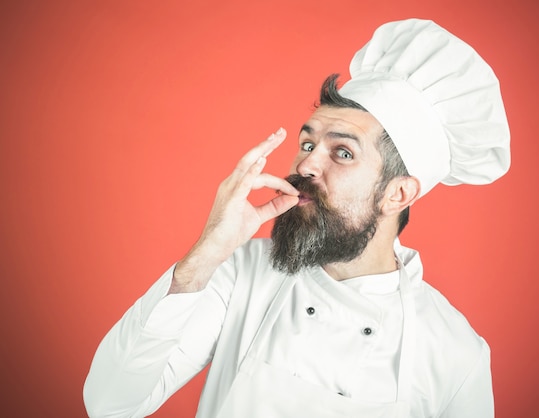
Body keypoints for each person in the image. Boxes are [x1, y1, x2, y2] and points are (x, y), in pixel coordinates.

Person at [84, 18, 510, 418]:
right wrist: (205, 254)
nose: (306, 166)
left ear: (398, 194)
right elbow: (109, 403)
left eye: (342, 153)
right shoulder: (245, 271)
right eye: (308, 144)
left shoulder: (455, 354)